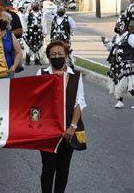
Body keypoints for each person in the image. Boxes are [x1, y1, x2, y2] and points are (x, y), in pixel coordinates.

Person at [37, 41, 86, 193]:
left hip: (68, 130)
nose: (57, 57)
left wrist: (72, 127)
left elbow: (79, 102)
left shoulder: (75, 76)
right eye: (53, 55)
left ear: (66, 55)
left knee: (63, 169)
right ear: (48, 57)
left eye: (60, 54)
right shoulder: (41, 74)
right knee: (49, 167)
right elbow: (36, 102)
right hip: (48, 131)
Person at [102, 12, 134, 108]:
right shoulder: (116, 37)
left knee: (129, 84)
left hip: (127, 64)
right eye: (117, 24)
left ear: (125, 27)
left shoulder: (130, 37)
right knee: (116, 82)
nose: (118, 26)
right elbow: (111, 49)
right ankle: (120, 101)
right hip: (116, 64)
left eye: (120, 24)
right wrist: (105, 42)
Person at [21, 0, 47, 65]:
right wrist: (24, 30)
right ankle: (27, 60)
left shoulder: (42, 14)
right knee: (28, 46)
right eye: (33, 5)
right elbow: (23, 21)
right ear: (31, 6)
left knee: (38, 45)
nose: (35, 6)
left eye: (36, 5)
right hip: (29, 32)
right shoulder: (28, 14)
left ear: (39, 6)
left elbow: (44, 23)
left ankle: (37, 60)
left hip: (38, 32)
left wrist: (45, 32)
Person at [0, 11, 22, 78]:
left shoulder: (10, 35)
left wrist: (14, 66)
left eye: (3, 20)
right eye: (0, 19)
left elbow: (18, 52)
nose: (1, 21)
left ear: (8, 23)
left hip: (8, 71)